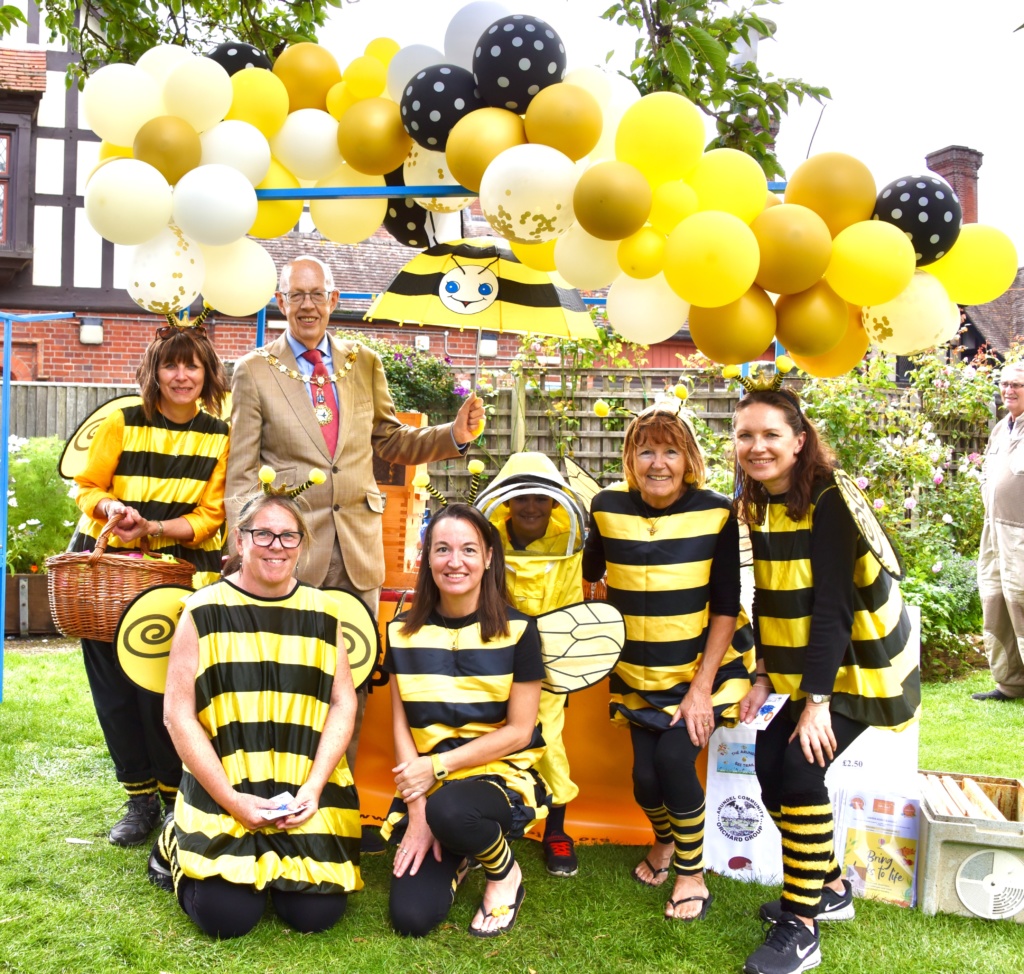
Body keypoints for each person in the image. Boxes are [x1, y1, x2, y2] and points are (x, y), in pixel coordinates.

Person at [226, 255, 484, 772]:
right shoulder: (253, 372)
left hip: (358, 551)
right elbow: (241, 475)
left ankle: (338, 794)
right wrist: (248, 545)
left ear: (333, 301)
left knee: (354, 673)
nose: (307, 305)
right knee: (288, 676)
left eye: (316, 294)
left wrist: (453, 436)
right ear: (280, 302)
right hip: (290, 553)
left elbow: (390, 441)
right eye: (295, 295)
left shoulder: (363, 363)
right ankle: (287, 787)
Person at [732, 388, 920, 974]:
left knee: (800, 768)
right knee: (768, 763)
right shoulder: (759, 500)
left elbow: (836, 605)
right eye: (745, 436)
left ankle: (802, 924)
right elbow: (765, 592)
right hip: (810, 667)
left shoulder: (833, 498)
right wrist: (763, 674)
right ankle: (830, 887)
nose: (756, 447)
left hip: (862, 666)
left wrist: (815, 703)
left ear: (799, 440)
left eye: (769, 435)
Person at [156, 490, 361, 939]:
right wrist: (232, 800)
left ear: (302, 545)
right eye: (263, 533)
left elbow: (344, 703)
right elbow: (177, 714)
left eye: (289, 536)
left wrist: (314, 786)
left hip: (300, 784)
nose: (276, 545)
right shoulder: (202, 610)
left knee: (315, 917)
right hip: (226, 782)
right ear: (239, 540)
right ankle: (174, 838)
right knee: (225, 918)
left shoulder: (325, 611)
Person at [582, 399, 754, 921]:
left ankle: (690, 872)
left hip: (701, 671)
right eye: (646, 451)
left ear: (689, 460)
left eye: (671, 452)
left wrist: (701, 688)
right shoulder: (607, 507)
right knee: (645, 780)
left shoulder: (717, 510)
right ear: (630, 460)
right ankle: (663, 841)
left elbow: (727, 604)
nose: (658, 463)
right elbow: (594, 573)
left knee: (674, 762)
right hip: (637, 671)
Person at [69, 324, 229, 846]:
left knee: (166, 687)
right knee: (115, 690)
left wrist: (156, 530)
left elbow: (210, 515)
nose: (181, 376)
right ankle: (138, 800)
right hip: (110, 571)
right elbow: (87, 486)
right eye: (170, 364)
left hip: (177, 573)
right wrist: (114, 508)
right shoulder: (121, 421)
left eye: (192, 366)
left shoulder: (220, 436)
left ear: (207, 373)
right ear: (154, 370)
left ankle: (171, 798)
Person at [382, 504, 549, 938]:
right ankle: (462, 847)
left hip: (495, 776)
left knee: (452, 809)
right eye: (442, 549)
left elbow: (519, 731)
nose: (455, 561)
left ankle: (504, 874)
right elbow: (401, 726)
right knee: (412, 917)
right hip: (428, 786)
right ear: (427, 556)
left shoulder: (520, 630)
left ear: (489, 556)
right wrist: (418, 812)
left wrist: (437, 771)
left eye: (468, 549)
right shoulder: (400, 631)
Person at [477, 452, 587, 878]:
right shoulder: (489, 538)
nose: (530, 506)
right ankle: (490, 827)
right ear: (506, 501)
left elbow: (571, 605)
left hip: (550, 661)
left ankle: (557, 831)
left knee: (548, 740)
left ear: (555, 504)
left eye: (540, 498)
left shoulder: (569, 541)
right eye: (521, 496)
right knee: (484, 737)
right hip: (492, 656)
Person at [973, 362, 1024, 702]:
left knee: (1022, 601)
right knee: (995, 602)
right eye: (1005, 384)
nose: (1009, 390)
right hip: (993, 532)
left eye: (1017, 385)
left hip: (1021, 534)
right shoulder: (1000, 429)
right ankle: (1010, 683)